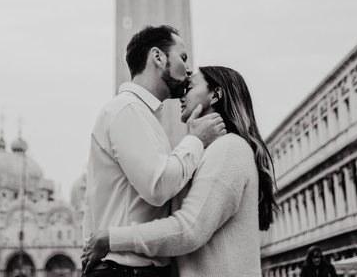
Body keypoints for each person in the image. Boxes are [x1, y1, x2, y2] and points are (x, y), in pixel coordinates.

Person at [83, 66, 278, 277]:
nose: (180, 96)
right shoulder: (206, 151)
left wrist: (111, 239)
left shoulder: (229, 149)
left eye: (190, 87)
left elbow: (189, 229)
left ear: (215, 95)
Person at [82, 25, 226, 277]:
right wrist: (196, 140)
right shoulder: (127, 110)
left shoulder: (141, 114)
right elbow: (159, 187)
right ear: (158, 57)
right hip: (125, 271)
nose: (189, 68)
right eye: (182, 57)